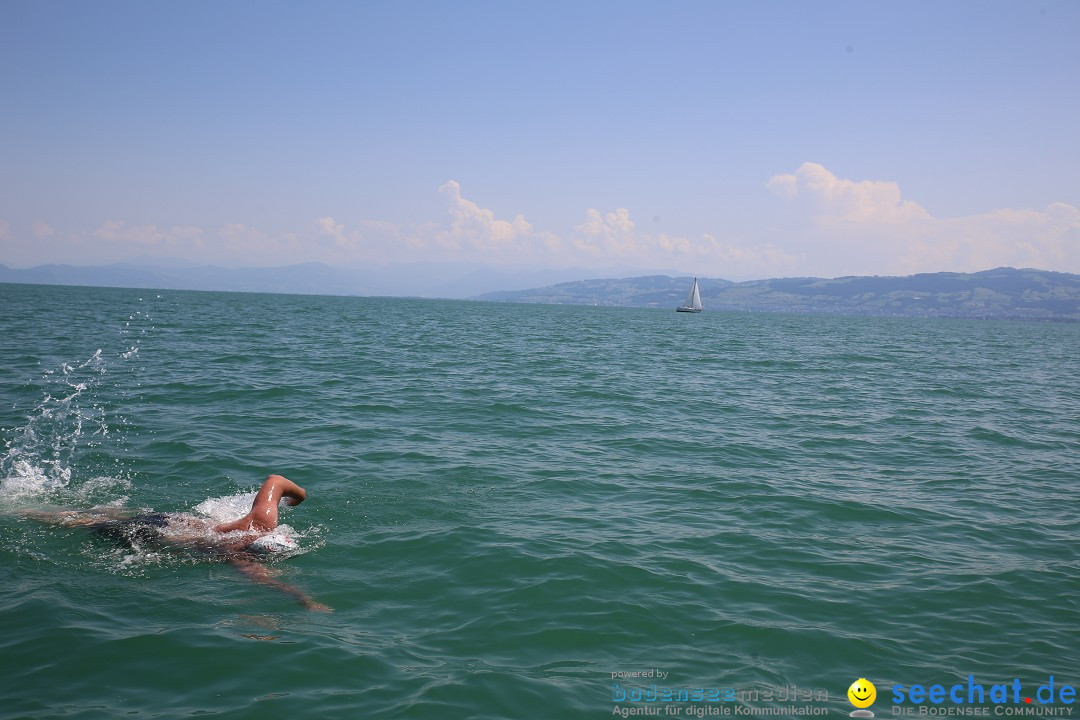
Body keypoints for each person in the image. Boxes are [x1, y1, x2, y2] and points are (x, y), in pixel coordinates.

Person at [20, 474, 330, 612]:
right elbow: (268, 583)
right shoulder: (235, 554)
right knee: (82, 523)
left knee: (108, 515)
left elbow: (276, 481)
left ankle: (39, 509)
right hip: (152, 534)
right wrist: (303, 600)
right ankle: (22, 511)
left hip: (168, 519)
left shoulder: (259, 521)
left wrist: (299, 497)